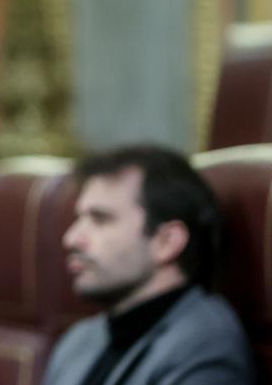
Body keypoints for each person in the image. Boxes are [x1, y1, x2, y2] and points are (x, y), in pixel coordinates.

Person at [44, 145, 255, 385]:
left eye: (100, 219)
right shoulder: (79, 340)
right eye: (79, 218)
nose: (71, 238)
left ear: (166, 242)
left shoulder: (203, 343)